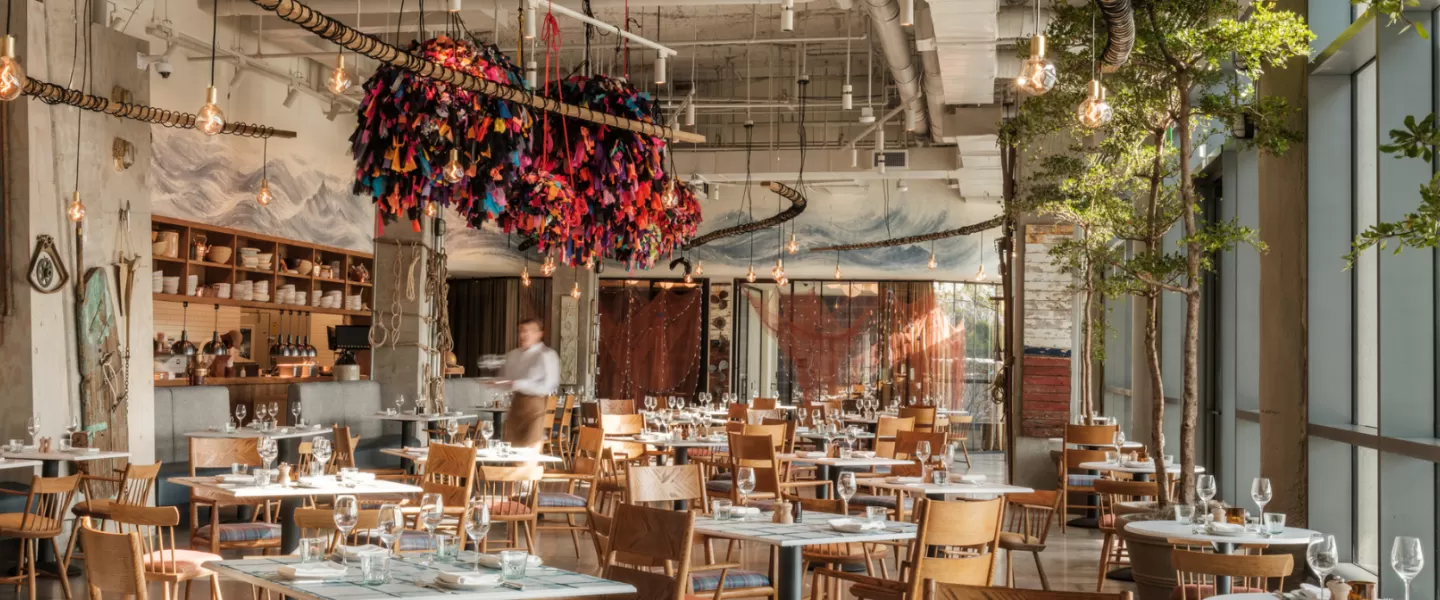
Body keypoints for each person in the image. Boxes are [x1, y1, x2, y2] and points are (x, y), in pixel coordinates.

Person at [499, 317, 559, 448]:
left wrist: (518, 383)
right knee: (510, 450)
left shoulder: (547, 355)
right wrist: (497, 383)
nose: (524, 335)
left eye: (529, 331)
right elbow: (505, 379)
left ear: (539, 334)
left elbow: (548, 386)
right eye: (521, 331)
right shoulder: (513, 355)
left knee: (530, 452)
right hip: (515, 407)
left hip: (535, 409)